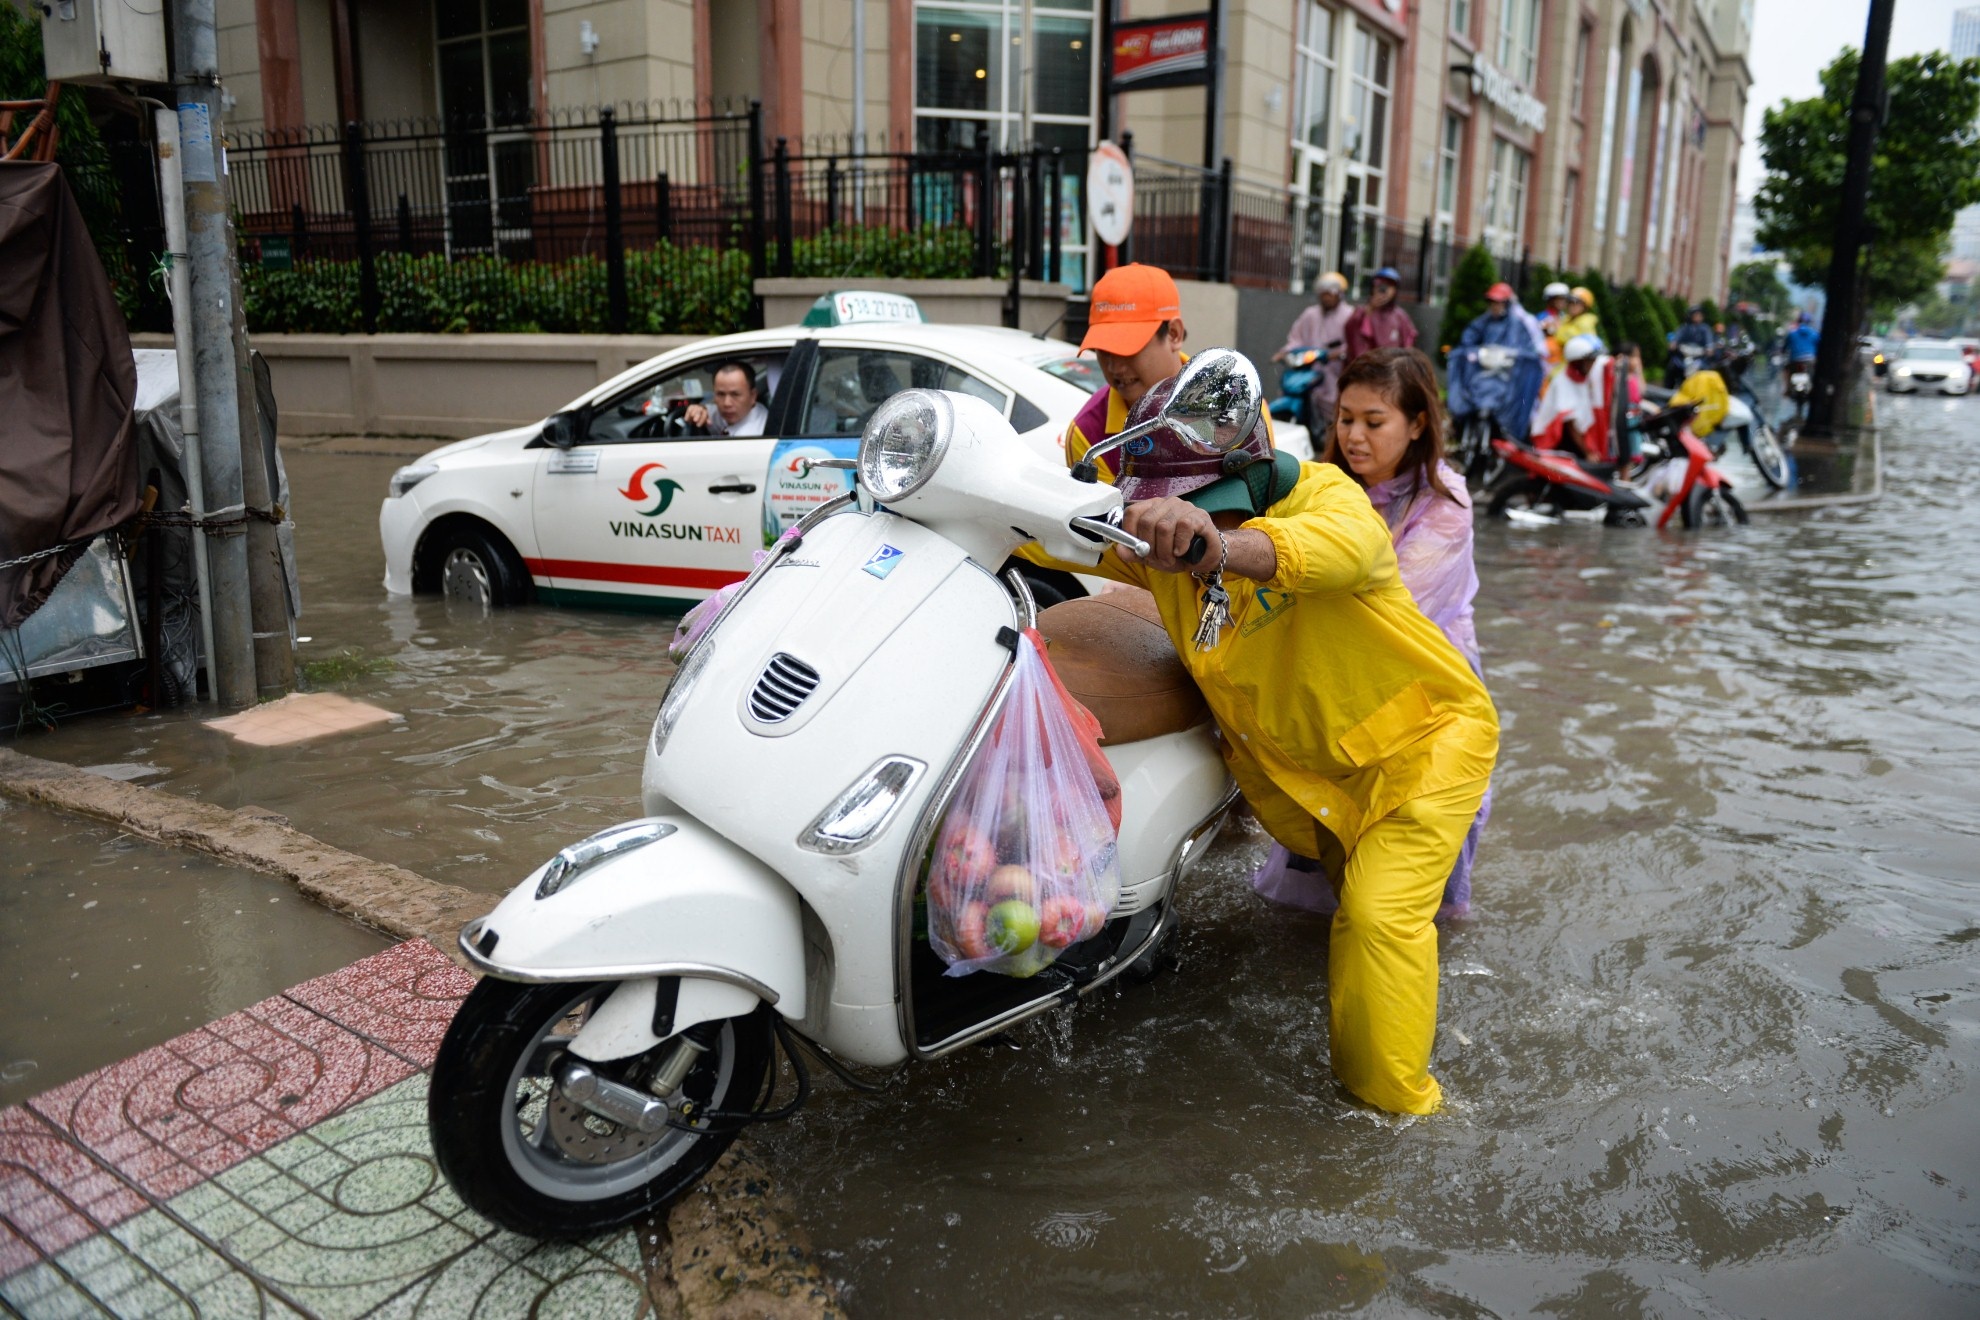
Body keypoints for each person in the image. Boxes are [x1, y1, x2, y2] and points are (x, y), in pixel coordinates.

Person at [1027, 365, 1498, 1117]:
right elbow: (1063, 539)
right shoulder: (1167, 553)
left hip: (1421, 747)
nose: (1187, 533)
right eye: (1171, 520)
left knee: (1380, 919)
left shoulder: (1328, 496)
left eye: (1207, 510)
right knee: (1326, 920)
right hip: (1315, 769)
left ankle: (1400, 1118)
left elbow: (1322, 551)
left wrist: (1215, 545)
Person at [1252, 348, 1493, 921]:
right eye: (1345, 419)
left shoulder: (1445, 504)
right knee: (1320, 849)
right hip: (1333, 680)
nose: (1355, 436)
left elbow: (1395, 604)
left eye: (1374, 422)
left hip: (1422, 691)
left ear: (1416, 425)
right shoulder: (1322, 487)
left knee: (1406, 869)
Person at [1062, 263, 1189, 478]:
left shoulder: (1236, 404)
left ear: (1174, 335)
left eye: (1128, 348)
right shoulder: (1089, 434)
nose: (1115, 368)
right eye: (1103, 351)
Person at [1276, 271, 1354, 434]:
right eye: (1323, 294)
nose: (1326, 297)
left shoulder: (1350, 316)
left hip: (1336, 371)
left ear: (1339, 294)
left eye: (1330, 294)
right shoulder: (1310, 314)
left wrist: (1338, 354)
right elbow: (1296, 338)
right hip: (1309, 368)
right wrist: (1285, 352)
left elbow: (1353, 344)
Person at [1531, 333, 1618, 461]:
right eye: (1590, 361)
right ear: (1578, 362)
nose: (1593, 364)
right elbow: (1571, 424)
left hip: (1577, 440)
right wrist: (1588, 453)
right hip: (1557, 443)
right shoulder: (1563, 382)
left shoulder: (1581, 378)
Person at [1343, 266, 1418, 367]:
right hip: (1365, 369)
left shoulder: (1399, 315)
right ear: (1373, 288)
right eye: (1381, 285)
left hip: (1390, 370)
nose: (1385, 290)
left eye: (1390, 286)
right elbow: (1352, 333)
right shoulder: (1361, 311)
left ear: (1395, 290)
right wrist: (1369, 309)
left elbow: (1409, 341)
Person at [683, 361, 768, 437]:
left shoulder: (748, 437)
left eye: (735, 395)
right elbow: (713, 415)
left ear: (753, 396)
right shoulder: (748, 411)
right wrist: (700, 409)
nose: (727, 403)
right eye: (721, 394)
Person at [1665, 306, 1717, 387]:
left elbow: (1709, 341)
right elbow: (1677, 337)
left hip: (1699, 357)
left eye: (1699, 315)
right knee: (1672, 366)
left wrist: (1710, 349)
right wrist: (1673, 343)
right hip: (1684, 355)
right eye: (1695, 315)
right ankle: (1668, 388)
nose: (1698, 317)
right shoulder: (1685, 327)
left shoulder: (1705, 329)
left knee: (1706, 370)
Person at [1550, 287, 1600, 364]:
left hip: (1576, 365)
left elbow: (1575, 341)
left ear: (1585, 306)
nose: (1572, 306)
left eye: (1576, 303)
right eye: (1570, 302)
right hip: (1561, 362)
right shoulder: (1567, 319)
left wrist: (1557, 330)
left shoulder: (1586, 322)